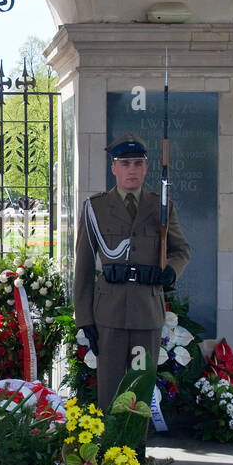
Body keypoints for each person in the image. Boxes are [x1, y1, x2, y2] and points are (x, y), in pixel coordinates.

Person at [72, 134, 191, 413]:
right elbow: (84, 266)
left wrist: (171, 272)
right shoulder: (96, 208)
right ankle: (109, 452)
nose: (132, 169)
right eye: (125, 163)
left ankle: (136, 452)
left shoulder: (161, 206)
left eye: (138, 163)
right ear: (113, 168)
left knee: (139, 391)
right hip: (109, 313)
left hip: (146, 312)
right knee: (111, 391)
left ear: (146, 168)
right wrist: (85, 318)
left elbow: (181, 250)